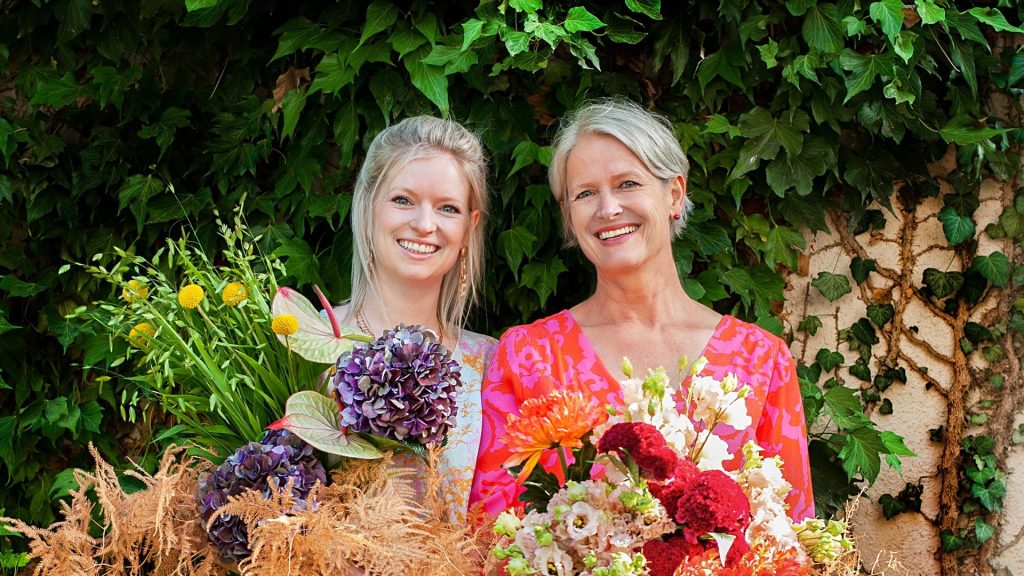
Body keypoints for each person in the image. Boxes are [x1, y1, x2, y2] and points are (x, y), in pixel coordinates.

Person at [469, 99, 814, 520]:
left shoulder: (761, 360)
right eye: (585, 193)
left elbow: (792, 534)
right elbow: (491, 535)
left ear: (674, 193)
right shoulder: (527, 356)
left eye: (628, 183)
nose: (608, 208)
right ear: (568, 217)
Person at [334, 115, 497, 522]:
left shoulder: (494, 365)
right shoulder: (298, 341)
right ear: (368, 204)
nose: (425, 225)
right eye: (403, 200)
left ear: (468, 227)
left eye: (448, 208)